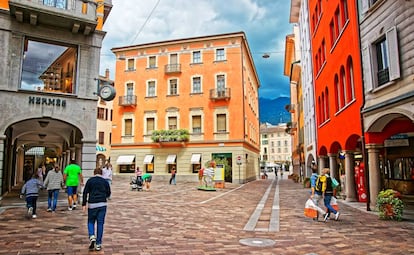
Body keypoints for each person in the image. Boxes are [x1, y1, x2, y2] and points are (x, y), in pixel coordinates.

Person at [82, 167, 111, 252]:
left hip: (92, 204)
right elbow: (109, 193)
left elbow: (85, 192)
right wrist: (104, 196)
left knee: (90, 221)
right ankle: (98, 244)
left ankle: (92, 236)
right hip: (102, 204)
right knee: (100, 223)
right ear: (101, 173)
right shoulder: (105, 181)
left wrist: (84, 204)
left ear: (94, 173)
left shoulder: (90, 181)